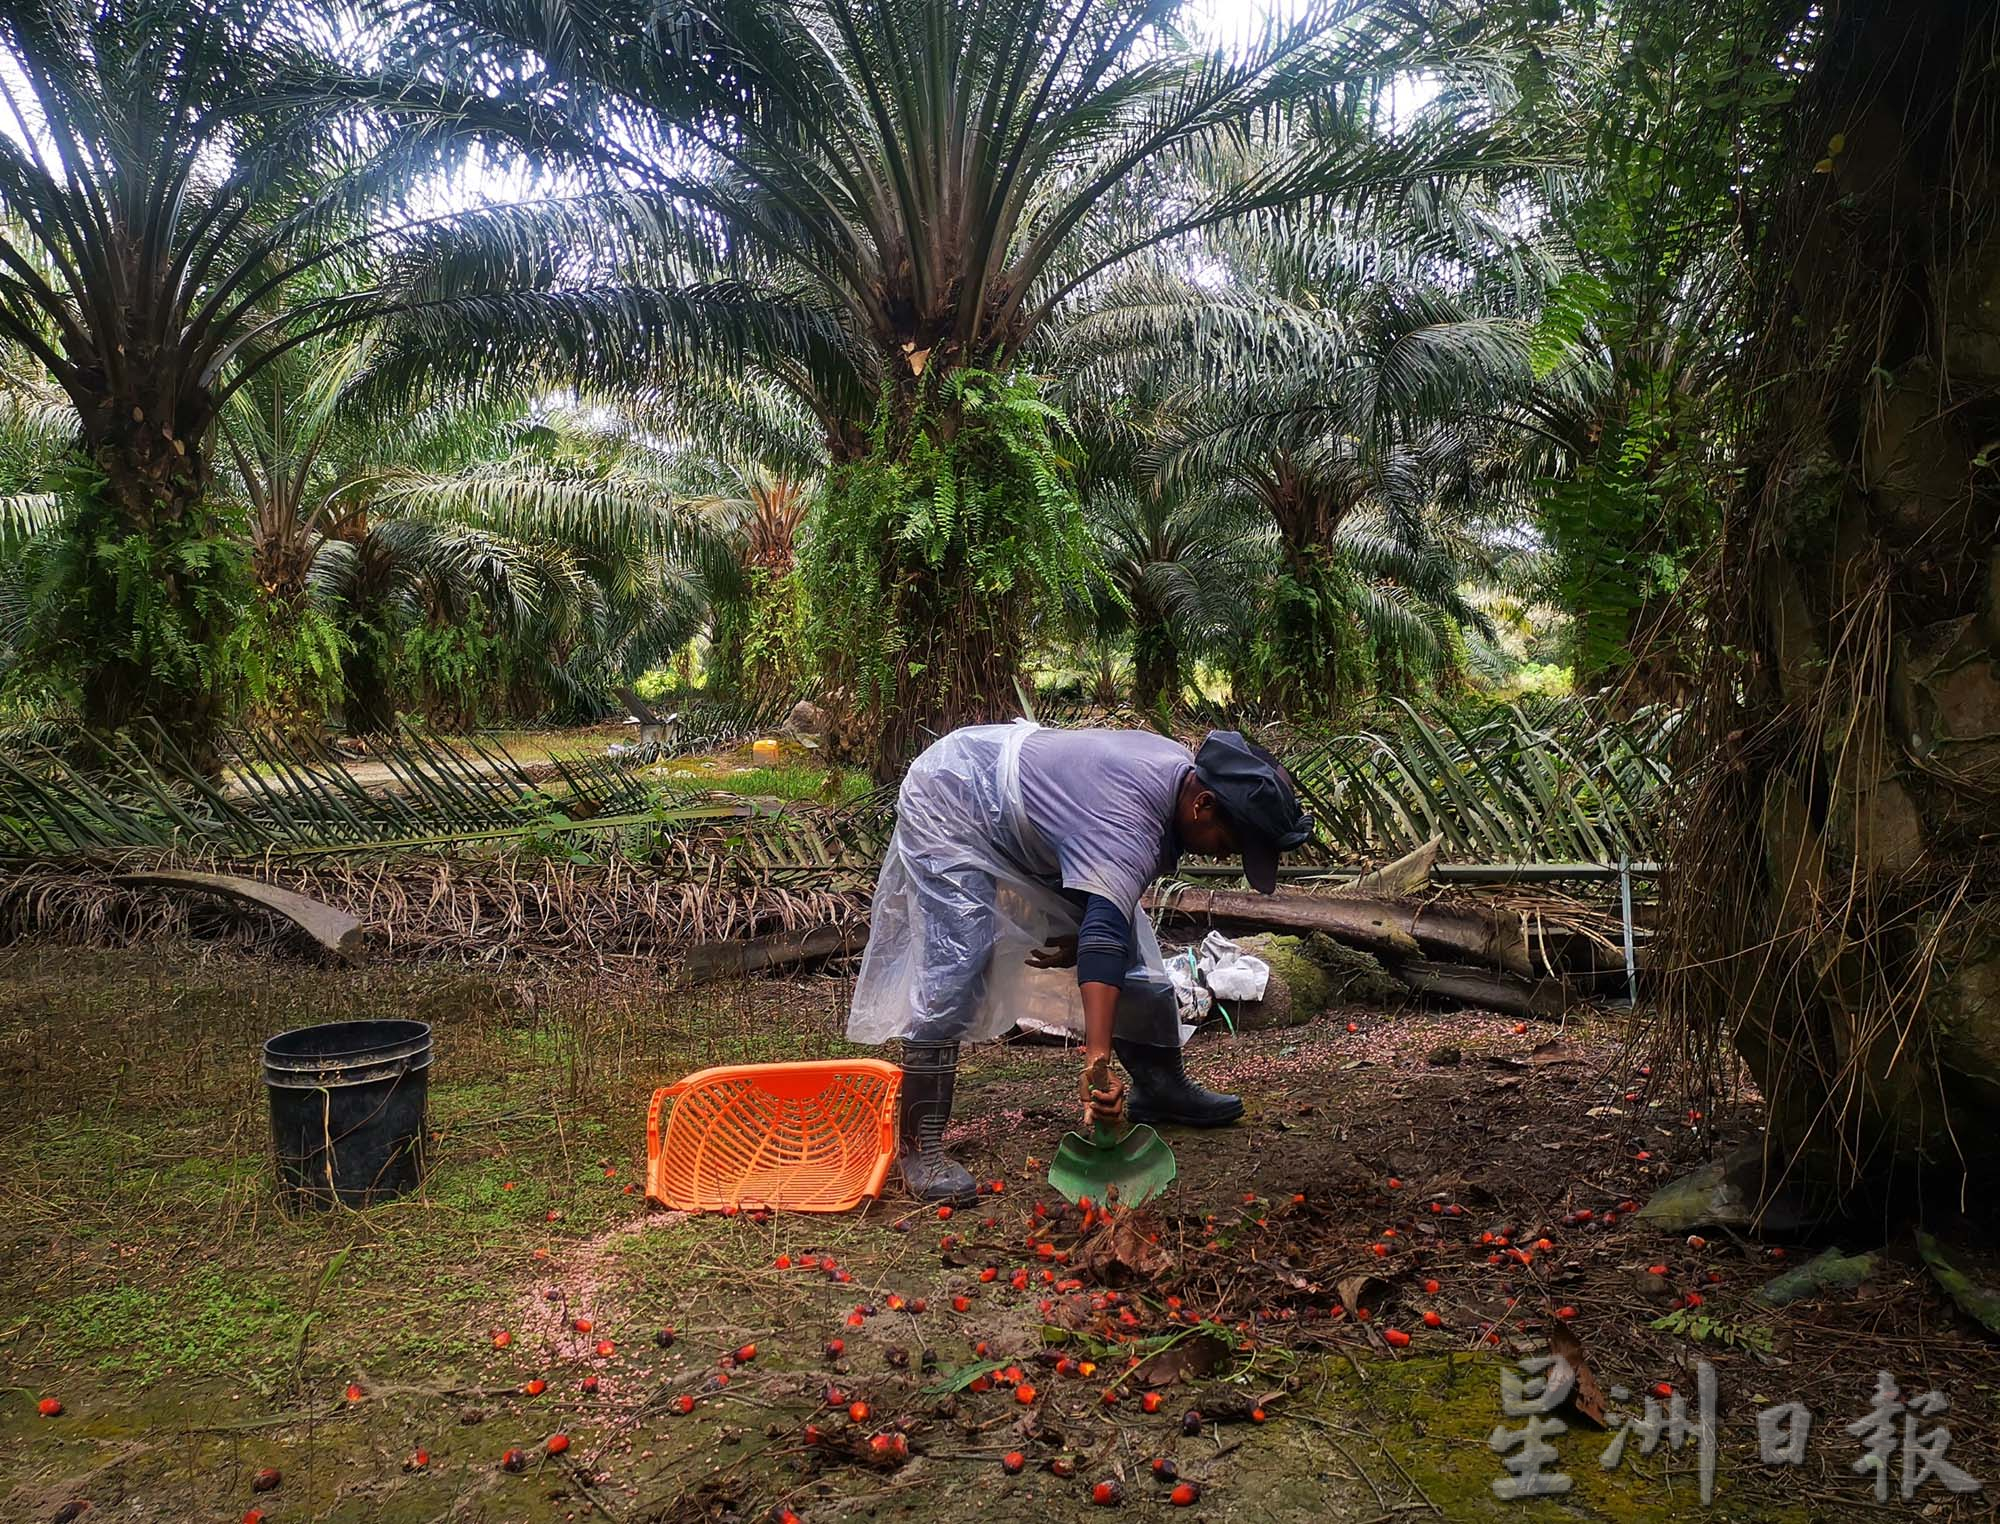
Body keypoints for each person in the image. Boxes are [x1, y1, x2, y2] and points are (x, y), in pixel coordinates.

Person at [846, 720, 1314, 1203]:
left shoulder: (1173, 788)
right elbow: (1103, 936)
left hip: (1025, 804)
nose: (1223, 857)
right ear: (1203, 805)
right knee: (959, 957)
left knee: (1133, 946)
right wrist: (1096, 1062)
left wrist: (1086, 930)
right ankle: (919, 1148)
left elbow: (1108, 921)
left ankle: (1159, 1086)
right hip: (954, 794)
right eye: (1226, 844)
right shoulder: (1130, 823)